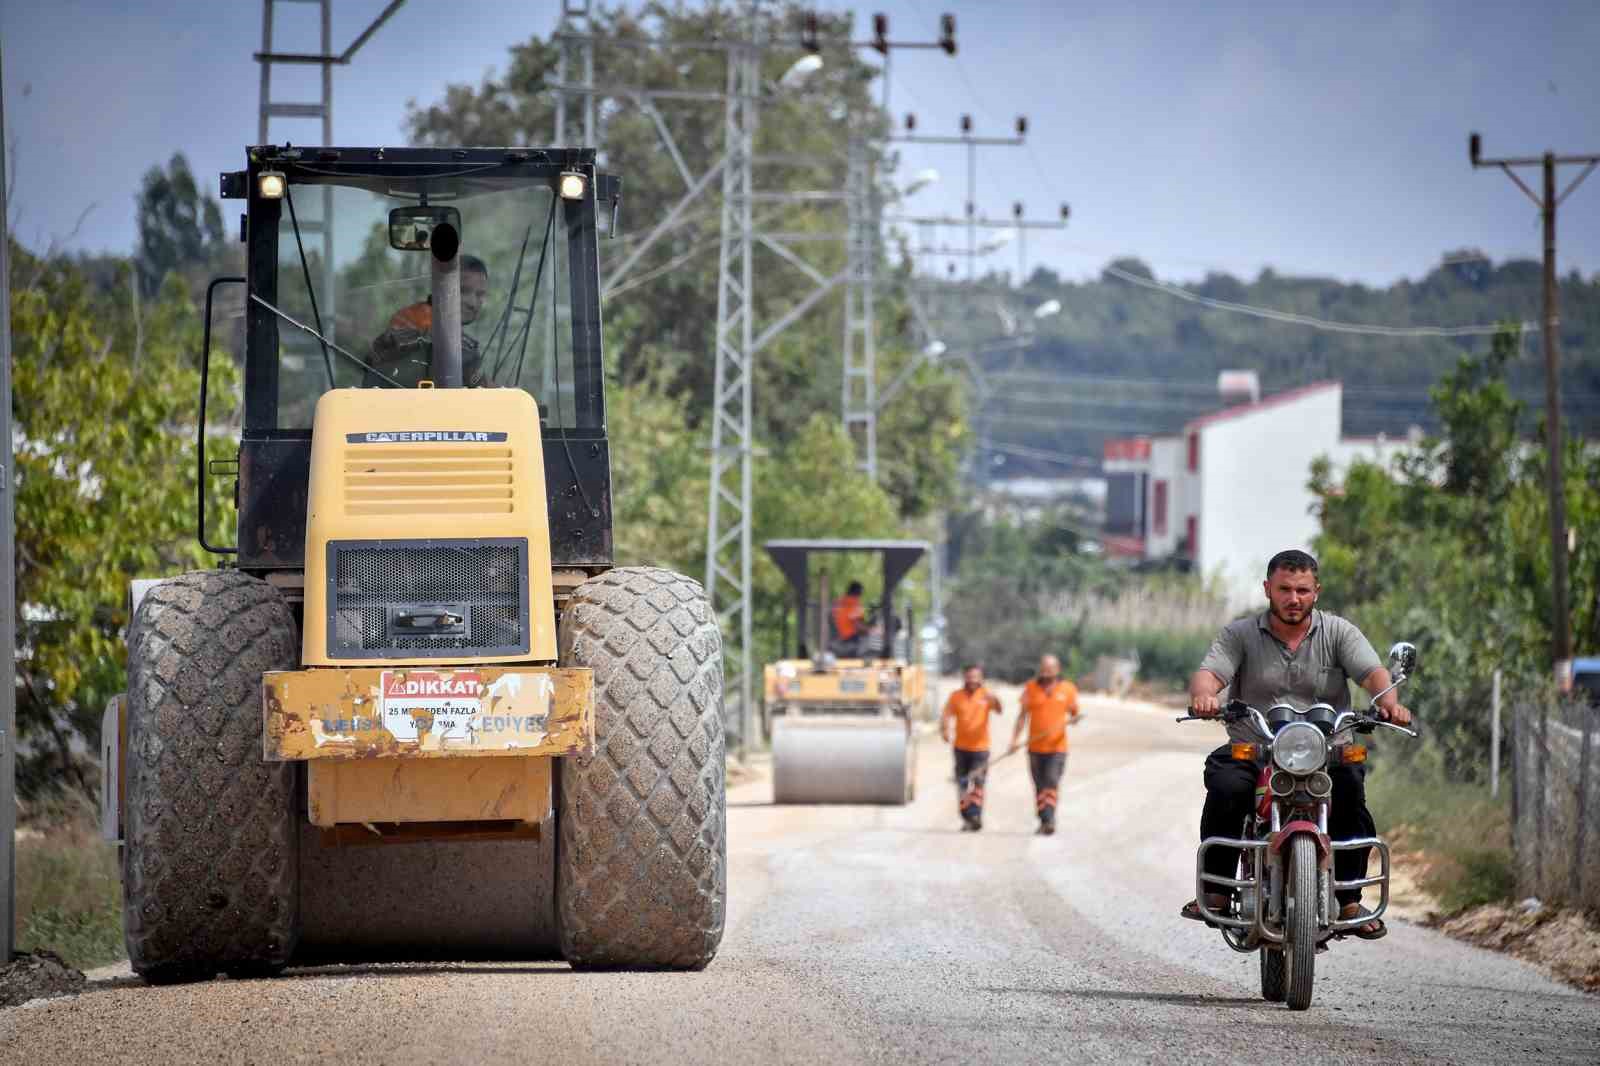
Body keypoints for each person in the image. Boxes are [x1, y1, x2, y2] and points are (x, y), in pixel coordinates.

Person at [1181, 548, 1412, 939]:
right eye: (1285, 589)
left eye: (1303, 590)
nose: (1294, 598)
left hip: (1328, 749)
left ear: (1316, 591)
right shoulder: (1240, 635)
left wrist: (1389, 703)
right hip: (1256, 748)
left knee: (1351, 792)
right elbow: (1209, 674)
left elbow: (1372, 673)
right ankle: (1217, 889)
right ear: (1268, 589)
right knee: (1226, 786)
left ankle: (1349, 897)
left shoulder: (1338, 632)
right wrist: (1205, 697)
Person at [366, 254, 492, 387]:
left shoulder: (458, 338)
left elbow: (480, 384)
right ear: (442, 287)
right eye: (463, 291)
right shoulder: (413, 319)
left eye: (480, 294)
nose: (473, 303)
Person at [1007, 654, 1079, 835]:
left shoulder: (1068, 689)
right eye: (1044, 669)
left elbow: (1074, 712)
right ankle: (1044, 819)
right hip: (1035, 749)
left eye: (1051, 669)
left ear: (1058, 670)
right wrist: (1014, 740)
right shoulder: (1030, 688)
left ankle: (1049, 819)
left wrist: (1075, 718)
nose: (1047, 672)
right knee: (1039, 785)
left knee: (1051, 782)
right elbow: (1022, 716)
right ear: (1040, 669)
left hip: (1057, 748)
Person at [941, 664, 1003, 832]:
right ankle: (967, 817)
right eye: (969, 677)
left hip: (981, 749)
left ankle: (975, 816)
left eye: (976, 677)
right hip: (961, 748)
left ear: (981, 679)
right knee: (962, 784)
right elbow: (946, 714)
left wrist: (995, 698)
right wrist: (945, 730)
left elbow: (999, 710)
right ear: (965, 678)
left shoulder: (986, 696)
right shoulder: (956, 696)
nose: (973, 680)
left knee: (977, 782)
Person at [830, 581, 868, 657]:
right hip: (850, 640)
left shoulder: (837, 602)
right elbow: (858, 624)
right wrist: (870, 630)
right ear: (858, 592)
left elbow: (831, 618)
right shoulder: (855, 604)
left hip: (836, 639)